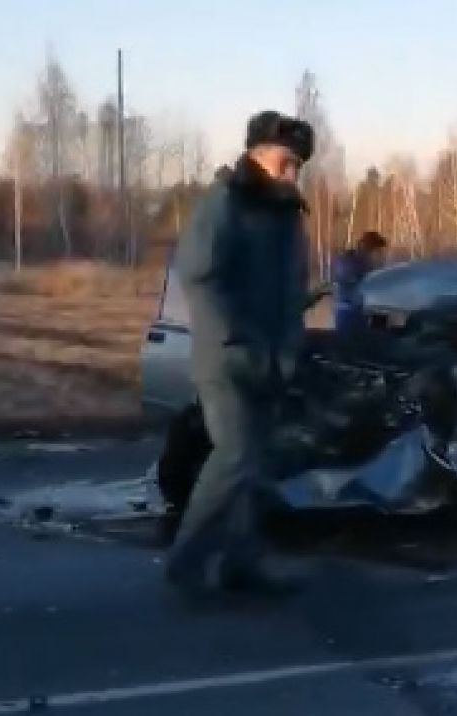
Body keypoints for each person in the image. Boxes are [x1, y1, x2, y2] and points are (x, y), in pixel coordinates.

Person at [168, 110, 314, 598]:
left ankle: (240, 564)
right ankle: (186, 563)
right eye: (285, 162)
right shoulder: (225, 202)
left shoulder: (287, 215)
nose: (292, 174)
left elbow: (292, 289)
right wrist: (234, 342)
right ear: (256, 154)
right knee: (232, 456)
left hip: (274, 358)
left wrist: (290, 345)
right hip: (228, 359)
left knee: (256, 464)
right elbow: (200, 276)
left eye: (298, 166)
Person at [332, 230, 389, 337]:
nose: (379, 255)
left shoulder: (353, 260)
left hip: (353, 313)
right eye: (378, 251)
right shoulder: (353, 262)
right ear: (369, 248)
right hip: (350, 314)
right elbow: (353, 286)